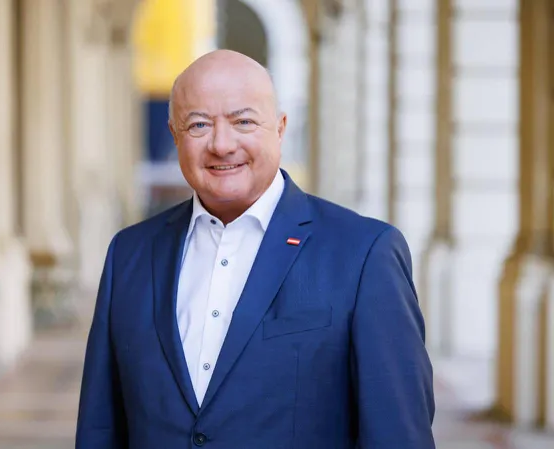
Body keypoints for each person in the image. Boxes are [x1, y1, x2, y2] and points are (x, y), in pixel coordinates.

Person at [75, 49, 435, 448]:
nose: (221, 145)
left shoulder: (364, 255)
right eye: (198, 125)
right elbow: (99, 429)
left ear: (280, 128)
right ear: (175, 134)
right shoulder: (128, 255)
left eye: (243, 121)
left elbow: (398, 435)